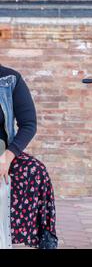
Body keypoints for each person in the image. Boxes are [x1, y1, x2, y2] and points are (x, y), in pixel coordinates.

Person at [0, 64, 58, 249]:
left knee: (35, 170)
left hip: (2, 152)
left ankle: (44, 239)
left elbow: (28, 124)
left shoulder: (10, 79)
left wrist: (8, 157)